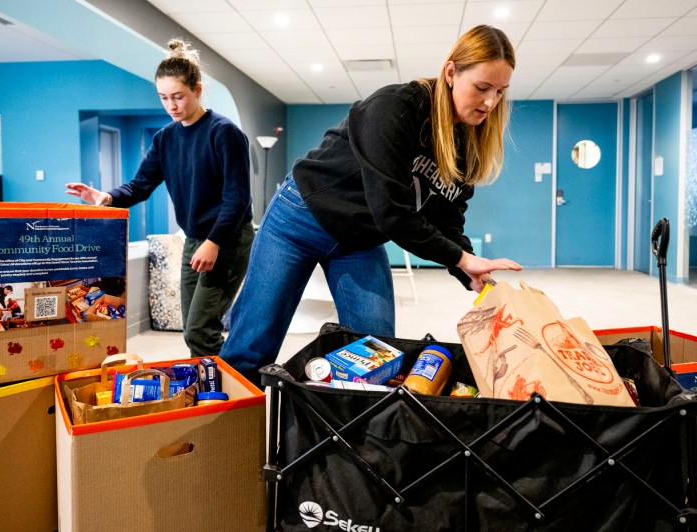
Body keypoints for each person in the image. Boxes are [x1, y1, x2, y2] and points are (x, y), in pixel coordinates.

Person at [221, 25, 523, 384]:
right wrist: (460, 258)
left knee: (377, 353)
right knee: (253, 344)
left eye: (500, 92)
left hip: (358, 240)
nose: (490, 103)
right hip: (300, 219)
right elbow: (393, 213)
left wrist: (469, 269)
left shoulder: (468, 143)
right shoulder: (396, 106)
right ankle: (228, 435)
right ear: (451, 72)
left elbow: (448, 218)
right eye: (482, 88)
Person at [66, 38, 254, 358]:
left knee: (200, 329)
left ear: (197, 89)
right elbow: (140, 186)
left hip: (227, 240)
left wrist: (214, 242)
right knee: (193, 330)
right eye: (164, 98)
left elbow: (237, 198)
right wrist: (107, 197)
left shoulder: (225, 133)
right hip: (195, 239)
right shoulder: (165, 138)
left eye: (178, 96)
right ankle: (210, 389)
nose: (171, 106)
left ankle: (234, 391)